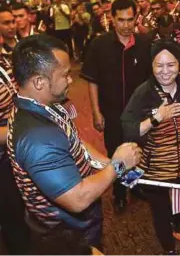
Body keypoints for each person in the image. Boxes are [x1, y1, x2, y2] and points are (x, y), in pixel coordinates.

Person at [8, 34, 142, 248]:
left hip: (78, 227)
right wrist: (118, 165)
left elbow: (75, 142)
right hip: (66, 236)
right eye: (65, 75)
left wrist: (109, 165)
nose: (71, 80)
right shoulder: (38, 138)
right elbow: (77, 199)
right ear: (39, 81)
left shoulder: (46, 104)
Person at [121, 40, 180, 255]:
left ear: (179, 65)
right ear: (151, 66)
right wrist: (156, 118)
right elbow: (129, 130)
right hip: (156, 169)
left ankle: (175, 220)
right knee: (159, 212)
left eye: (170, 65)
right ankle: (169, 248)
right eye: (158, 66)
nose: (164, 72)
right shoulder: (144, 93)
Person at [81, 0, 152, 212]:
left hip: (139, 114)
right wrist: (95, 112)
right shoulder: (99, 44)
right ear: (111, 19)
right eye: (121, 20)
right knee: (116, 153)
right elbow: (92, 80)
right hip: (111, 113)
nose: (126, 25)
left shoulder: (144, 43)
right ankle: (119, 192)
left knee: (139, 150)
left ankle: (136, 185)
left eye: (130, 20)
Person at [0, 7, 30, 255]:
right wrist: (21, 127)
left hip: (16, 144)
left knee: (24, 203)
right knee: (10, 210)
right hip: (3, 152)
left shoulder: (4, 61)